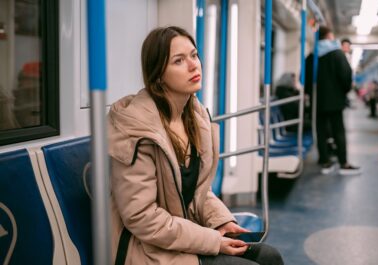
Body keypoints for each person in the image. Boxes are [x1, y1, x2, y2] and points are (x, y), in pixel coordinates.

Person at [107, 26, 284, 265]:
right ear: (158, 73)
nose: (193, 65)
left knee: (269, 256)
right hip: (147, 248)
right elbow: (141, 217)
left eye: (194, 55)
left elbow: (199, 191)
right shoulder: (137, 130)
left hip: (182, 234)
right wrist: (213, 240)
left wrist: (221, 221)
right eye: (179, 60)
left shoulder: (194, 116)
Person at [304, 26, 361, 175]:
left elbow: (306, 80)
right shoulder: (337, 54)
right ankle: (343, 163)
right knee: (338, 132)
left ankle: (325, 161)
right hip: (335, 101)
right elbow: (346, 76)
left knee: (321, 132)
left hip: (317, 101)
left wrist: (311, 94)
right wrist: (343, 92)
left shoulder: (311, 56)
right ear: (329, 36)